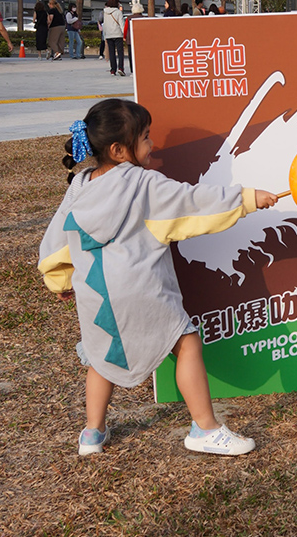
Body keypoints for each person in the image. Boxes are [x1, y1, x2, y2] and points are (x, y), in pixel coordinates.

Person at [38, 98, 282, 456]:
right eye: (146, 137)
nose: (152, 145)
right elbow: (194, 202)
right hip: (143, 289)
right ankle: (205, 428)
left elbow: (57, 243)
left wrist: (60, 281)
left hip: (97, 296)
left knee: (99, 357)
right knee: (186, 343)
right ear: (120, 150)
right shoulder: (143, 184)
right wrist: (246, 199)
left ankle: (92, 434)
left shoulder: (79, 187)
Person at [102, 0, 126, 77]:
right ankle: (121, 68)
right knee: (120, 52)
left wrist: (105, 35)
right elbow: (121, 24)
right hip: (118, 34)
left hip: (109, 34)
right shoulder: (118, 12)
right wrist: (124, 34)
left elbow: (105, 24)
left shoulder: (104, 12)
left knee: (111, 53)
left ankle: (113, 70)